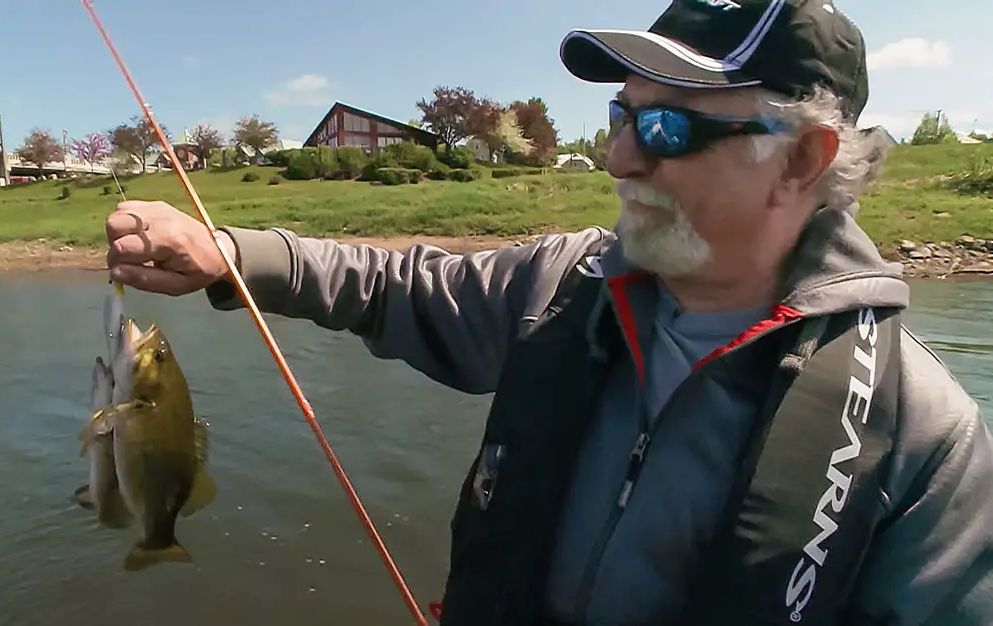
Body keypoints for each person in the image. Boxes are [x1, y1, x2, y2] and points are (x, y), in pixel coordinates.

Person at [104, 1, 993, 624]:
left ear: (803, 160)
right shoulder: (560, 286)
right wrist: (229, 253)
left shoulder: (922, 437)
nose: (617, 157)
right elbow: (392, 284)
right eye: (620, 115)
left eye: (668, 130)